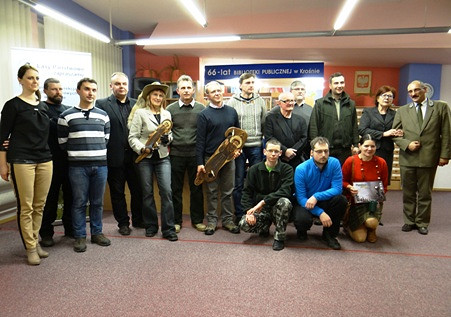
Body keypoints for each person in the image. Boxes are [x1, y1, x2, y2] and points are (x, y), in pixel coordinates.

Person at [0, 63, 53, 265]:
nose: (35, 81)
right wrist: (3, 165)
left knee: (40, 205)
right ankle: (30, 247)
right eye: (30, 78)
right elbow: (2, 137)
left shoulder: (44, 106)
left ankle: (35, 241)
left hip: (45, 159)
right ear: (20, 80)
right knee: (26, 206)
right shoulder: (12, 105)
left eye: (37, 78)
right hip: (21, 159)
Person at [58, 78, 111, 252]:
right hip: (78, 167)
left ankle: (97, 233)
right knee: (79, 202)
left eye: (94, 90)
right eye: (87, 89)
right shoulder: (66, 116)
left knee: (97, 202)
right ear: (78, 91)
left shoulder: (103, 115)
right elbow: (63, 143)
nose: (90, 93)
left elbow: (106, 139)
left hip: (100, 166)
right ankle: (80, 236)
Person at [392, 80, 450, 235]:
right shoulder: (402, 111)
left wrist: (445, 155)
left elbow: (446, 133)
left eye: (416, 90)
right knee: (408, 192)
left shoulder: (440, 107)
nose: (413, 94)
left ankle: (422, 222)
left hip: (429, 157)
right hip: (407, 157)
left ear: (425, 90)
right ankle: (409, 221)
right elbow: (394, 134)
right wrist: (406, 144)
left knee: (425, 193)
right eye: (410, 91)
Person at [128, 82, 178, 241]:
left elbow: (170, 136)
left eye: (161, 95)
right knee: (147, 193)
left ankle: (168, 229)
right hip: (145, 159)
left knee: (167, 192)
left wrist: (167, 138)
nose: (158, 97)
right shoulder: (140, 113)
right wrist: (142, 148)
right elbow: (132, 137)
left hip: (163, 157)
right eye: (155, 94)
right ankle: (151, 226)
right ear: (149, 96)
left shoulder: (167, 114)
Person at [96, 72, 143, 236]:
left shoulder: (138, 104)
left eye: (124, 84)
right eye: (117, 84)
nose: (121, 86)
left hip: (136, 156)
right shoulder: (101, 104)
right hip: (114, 156)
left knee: (138, 190)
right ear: (111, 86)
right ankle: (123, 223)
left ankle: (138, 219)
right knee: (117, 193)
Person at [196, 81, 241, 235]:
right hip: (211, 159)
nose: (217, 93)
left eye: (218, 90)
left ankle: (228, 220)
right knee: (212, 192)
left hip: (229, 159)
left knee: (228, 191)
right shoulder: (203, 115)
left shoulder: (232, 112)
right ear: (207, 95)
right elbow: (200, 141)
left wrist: (237, 150)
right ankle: (212, 222)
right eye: (213, 91)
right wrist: (200, 163)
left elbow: (238, 136)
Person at [166, 75, 205, 233]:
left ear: (193, 90)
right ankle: (176, 221)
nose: (186, 90)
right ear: (177, 91)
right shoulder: (170, 110)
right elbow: (166, 131)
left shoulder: (202, 109)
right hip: (176, 154)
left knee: (196, 189)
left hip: (196, 155)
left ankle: (197, 220)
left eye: (189, 88)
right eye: (183, 88)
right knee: (175, 189)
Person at [293, 137, 348, 250]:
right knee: (301, 219)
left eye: (326, 151)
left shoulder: (334, 163)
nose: (323, 154)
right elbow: (301, 198)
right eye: (319, 151)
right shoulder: (301, 169)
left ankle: (329, 235)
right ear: (312, 153)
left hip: (323, 200)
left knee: (341, 200)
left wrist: (317, 196)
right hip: (306, 203)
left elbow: (337, 189)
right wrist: (320, 212)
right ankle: (302, 230)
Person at [238, 139, 293, 251]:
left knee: (285, 202)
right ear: (264, 152)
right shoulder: (254, 169)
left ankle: (279, 238)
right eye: (270, 150)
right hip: (261, 211)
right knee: (244, 223)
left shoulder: (287, 169)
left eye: (276, 151)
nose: (273, 154)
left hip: (277, 209)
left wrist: (263, 202)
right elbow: (247, 192)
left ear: (280, 153)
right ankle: (264, 227)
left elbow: (285, 191)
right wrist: (249, 211)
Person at [227, 73, 267, 223]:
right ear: (240, 85)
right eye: (248, 82)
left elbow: (264, 123)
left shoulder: (260, 101)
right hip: (239, 148)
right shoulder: (232, 102)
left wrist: (263, 142)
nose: (251, 85)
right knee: (238, 182)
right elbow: (230, 127)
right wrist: (234, 146)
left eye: (253, 82)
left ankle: (256, 213)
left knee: (256, 182)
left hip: (256, 146)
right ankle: (239, 214)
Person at [39, 78, 73, 247]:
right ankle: (46, 233)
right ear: (45, 91)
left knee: (70, 197)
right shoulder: (41, 108)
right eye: (54, 89)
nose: (58, 92)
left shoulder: (68, 110)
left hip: (68, 161)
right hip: (49, 161)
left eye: (60, 89)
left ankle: (70, 229)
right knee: (50, 199)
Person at [342, 135, 389, 243]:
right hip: (355, 203)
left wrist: (378, 195)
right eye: (366, 146)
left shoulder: (381, 162)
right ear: (359, 146)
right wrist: (349, 187)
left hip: (372, 203)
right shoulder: (351, 161)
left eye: (372, 146)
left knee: (371, 222)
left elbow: (385, 186)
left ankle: (371, 229)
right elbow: (342, 180)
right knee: (360, 239)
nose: (369, 149)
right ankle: (350, 225)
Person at [309, 72, 359, 165]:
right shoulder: (320, 104)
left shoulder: (351, 104)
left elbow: (354, 125)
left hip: (345, 149)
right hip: (325, 149)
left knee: (342, 176)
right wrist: (314, 146)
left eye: (342, 83)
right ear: (330, 85)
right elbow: (313, 126)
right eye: (336, 83)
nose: (339, 86)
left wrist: (356, 144)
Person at [358, 85, 403, 182]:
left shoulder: (395, 114)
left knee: (383, 180)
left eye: (390, 96)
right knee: (368, 178)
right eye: (384, 95)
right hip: (370, 150)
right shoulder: (368, 112)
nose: (387, 98)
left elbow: (397, 129)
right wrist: (383, 134)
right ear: (378, 98)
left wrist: (399, 132)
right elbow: (362, 130)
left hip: (387, 151)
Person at [264, 92, 308, 169]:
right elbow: (269, 137)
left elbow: (304, 138)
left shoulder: (301, 120)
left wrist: (292, 153)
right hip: (278, 158)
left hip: (296, 158)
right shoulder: (271, 119)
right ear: (279, 103)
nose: (290, 103)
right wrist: (285, 151)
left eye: (292, 100)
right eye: (286, 101)